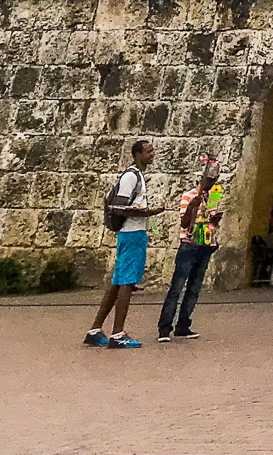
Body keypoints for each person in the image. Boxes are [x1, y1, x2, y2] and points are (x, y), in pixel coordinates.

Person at [85, 138, 160, 348]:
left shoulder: (137, 176)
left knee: (117, 283)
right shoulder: (131, 176)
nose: (151, 154)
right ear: (138, 154)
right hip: (132, 234)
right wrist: (148, 212)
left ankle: (95, 330)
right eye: (148, 151)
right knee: (127, 283)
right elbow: (118, 207)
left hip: (131, 234)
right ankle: (117, 334)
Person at [155, 155, 223, 343]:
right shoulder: (189, 196)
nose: (211, 183)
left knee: (193, 289)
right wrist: (195, 204)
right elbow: (184, 223)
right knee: (176, 287)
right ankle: (164, 328)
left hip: (204, 245)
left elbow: (210, 223)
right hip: (189, 245)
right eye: (208, 180)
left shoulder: (213, 198)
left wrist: (214, 222)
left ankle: (183, 326)